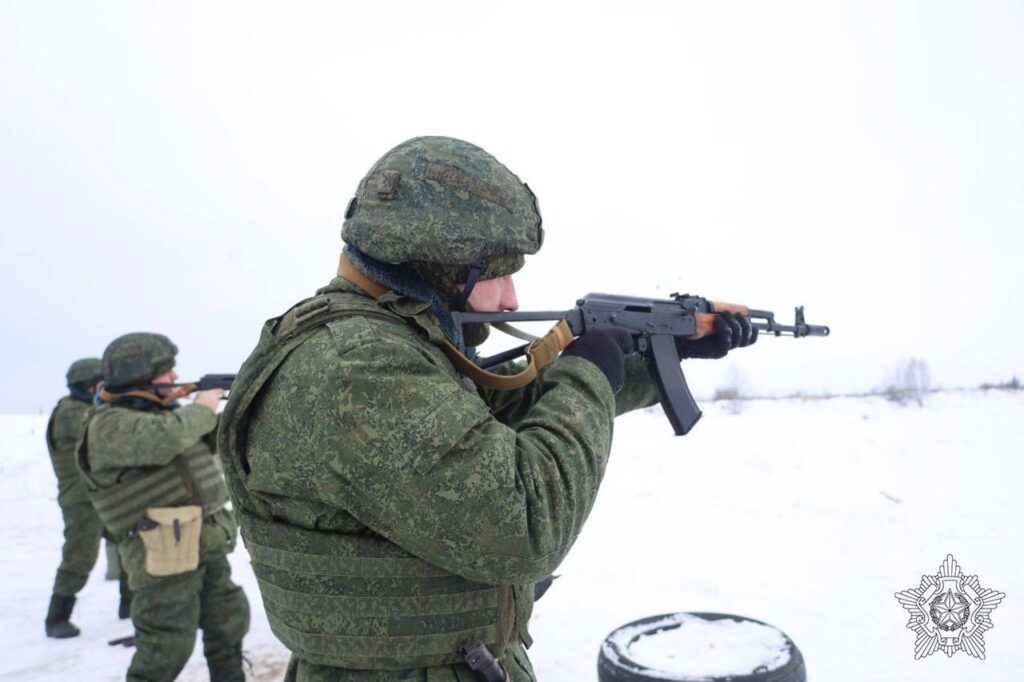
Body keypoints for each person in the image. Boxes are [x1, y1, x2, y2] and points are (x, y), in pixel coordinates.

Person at [218, 136, 755, 681]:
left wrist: (661, 357)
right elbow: (526, 522)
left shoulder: (381, 343)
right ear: (438, 263)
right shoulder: (358, 368)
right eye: (496, 272)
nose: (511, 300)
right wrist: (585, 373)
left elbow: (496, 408)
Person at [76, 333, 250, 682]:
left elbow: (215, 434)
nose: (173, 377)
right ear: (138, 375)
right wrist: (203, 406)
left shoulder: (165, 415)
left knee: (227, 622)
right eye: (164, 371)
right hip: (160, 552)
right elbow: (164, 438)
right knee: (166, 644)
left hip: (204, 540)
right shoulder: (108, 424)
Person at [45, 357, 112, 638]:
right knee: (80, 555)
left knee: (130, 542)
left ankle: (129, 604)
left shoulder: (84, 408)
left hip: (99, 493)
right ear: (89, 385)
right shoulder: (73, 412)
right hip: (81, 498)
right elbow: (105, 434)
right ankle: (57, 616)